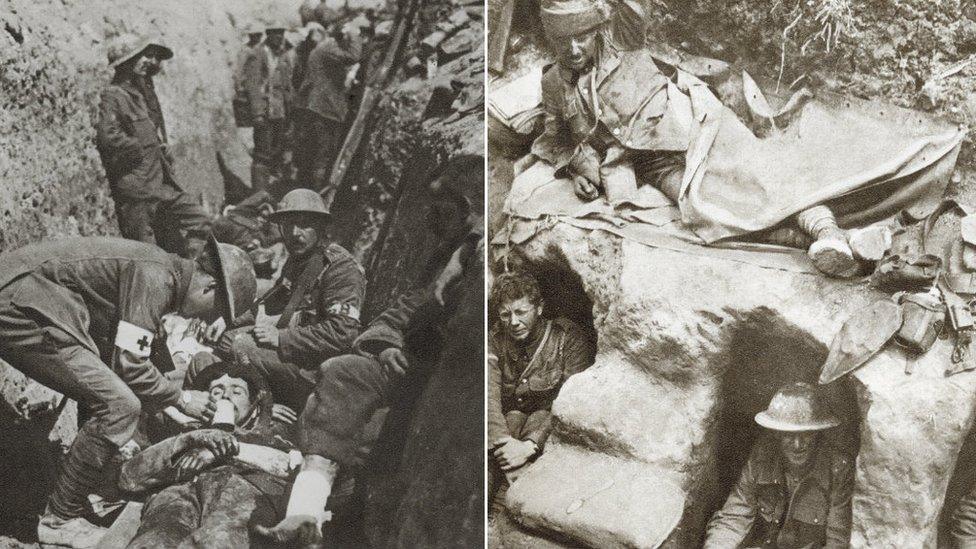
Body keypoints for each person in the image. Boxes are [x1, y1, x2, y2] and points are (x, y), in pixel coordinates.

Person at [530, 0, 946, 278]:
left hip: (694, 122)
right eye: (562, 41)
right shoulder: (554, 82)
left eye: (580, 36)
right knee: (711, 214)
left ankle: (827, 230)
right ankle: (833, 242)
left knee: (759, 176)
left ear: (598, 27)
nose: (573, 48)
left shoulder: (623, 37)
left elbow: (632, 7)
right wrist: (573, 167)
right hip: (652, 162)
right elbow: (554, 138)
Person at [253, 155, 484, 545]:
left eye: (439, 206)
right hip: (404, 363)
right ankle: (304, 513)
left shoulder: (478, 253)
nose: (430, 218)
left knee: (347, 390)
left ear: (467, 205)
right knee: (341, 372)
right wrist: (387, 343)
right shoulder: (446, 254)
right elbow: (400, 311)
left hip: (448, 379)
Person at [0, 236, 255, 548]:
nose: (200, 319)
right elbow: (130, 366)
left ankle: (84, 486)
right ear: (208, 288)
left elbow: (135, 351)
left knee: (109, 387)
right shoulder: (156, 278)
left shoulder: (161, 270)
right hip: (19, 301)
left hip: (29, 295)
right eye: (210, 312)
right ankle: (60, 520)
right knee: (119, 405)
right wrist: (182, 399)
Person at [193, 188, 366, 411]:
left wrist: (283, 338)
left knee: (240, 345)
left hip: (316, 369)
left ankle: (268, 408)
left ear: (322, 226)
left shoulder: (340, 268)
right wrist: (228, 319)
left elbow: (343, 333)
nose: (295, 232)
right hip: (295, 355)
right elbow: (268, 303)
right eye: (288, 224)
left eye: (304, 224)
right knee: (226, 339)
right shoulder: (298, 260)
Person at [95, 34, 213, 258]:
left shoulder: (141, 95)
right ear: (126, 61)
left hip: (161, 187)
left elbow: (149, 131)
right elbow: (107, 137)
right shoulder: (114, 96)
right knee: (148, 257)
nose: (150, 62)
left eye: (152, 58)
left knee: (201, 220)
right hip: (138, 194)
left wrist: (159, 148)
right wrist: (140, 150)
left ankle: (189, 272)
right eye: (144, 56)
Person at [487, 271, 594, 514]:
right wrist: (504, 444)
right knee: (510, 419)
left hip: (548, 429)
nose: (513, 322)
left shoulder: (567, 338)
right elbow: (489, 395)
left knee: (535, 421)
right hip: (507, 431)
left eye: (520, 312)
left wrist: (530, 446)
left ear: (539, 308)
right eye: (506, 314)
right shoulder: (494, 339)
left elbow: (573, 402)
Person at [704, 382, 853, 548]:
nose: (798, 445)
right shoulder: (761, 457)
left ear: (818, 433)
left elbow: (837, 541)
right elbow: (734, 517)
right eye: (789, 435)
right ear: (777, 434)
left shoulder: (837, 469)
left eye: (807, 434)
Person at [293, 24, 363, 190]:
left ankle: (307, 190)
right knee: (323, 155)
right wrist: (354, 34)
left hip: (320, 108)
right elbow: (353, 56)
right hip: (324, 109)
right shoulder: (328, 47)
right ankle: (315, 196)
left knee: (317, 153)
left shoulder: (323, 48)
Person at [241, 25, 295, 190]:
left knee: (276, 155)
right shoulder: (257, 54)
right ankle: (259, 197)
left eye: (282, 33)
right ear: (268, 34)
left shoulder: (281, 55)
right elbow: (253, 85)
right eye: (276, 33)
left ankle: (269, 194)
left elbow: (286, 86)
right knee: (262, 157)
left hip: (279, 113)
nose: (280, 37)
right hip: (265, 114)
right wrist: (257, 113)